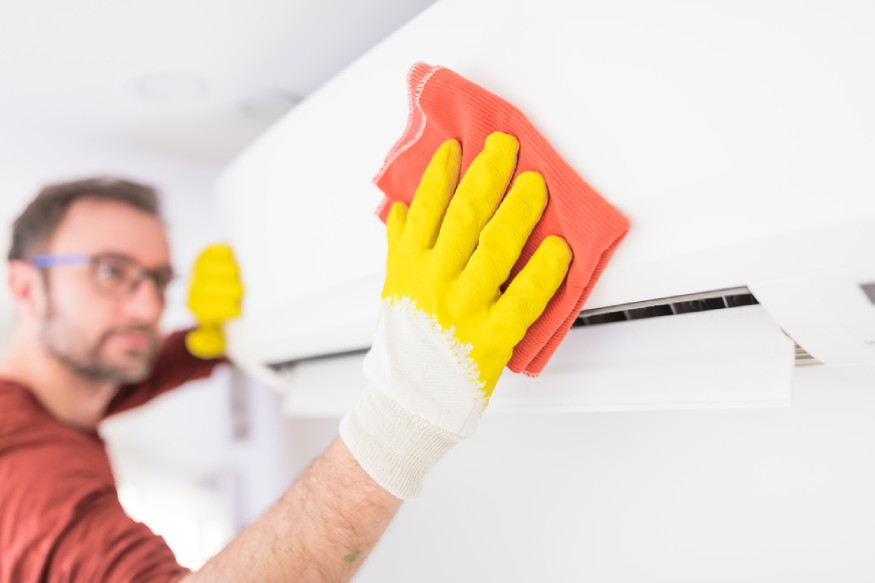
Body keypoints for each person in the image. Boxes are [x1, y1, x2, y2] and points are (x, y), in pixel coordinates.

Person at [0, 132, 572, 582]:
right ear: (25, 288)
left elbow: (124, 378)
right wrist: (407, 414)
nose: (149, 305)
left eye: (158, 278)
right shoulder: (24, 465)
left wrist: (207, 341)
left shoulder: (60, 398)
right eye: (110, 272)